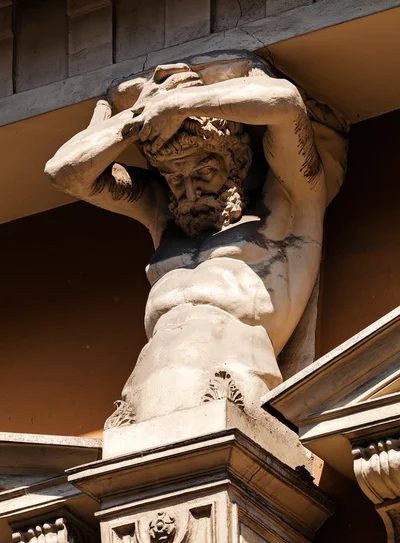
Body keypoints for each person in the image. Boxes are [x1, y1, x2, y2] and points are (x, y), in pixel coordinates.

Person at [45, 52, 348, 422]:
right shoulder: (165, 214)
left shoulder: (289, 197)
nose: (189, 192)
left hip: (232, 392)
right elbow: (64, 173)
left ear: (237, 160)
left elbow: (285, 103)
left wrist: (180, 104)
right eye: (176, 179)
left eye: (203, 172)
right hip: (138, 407)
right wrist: (138, 116)